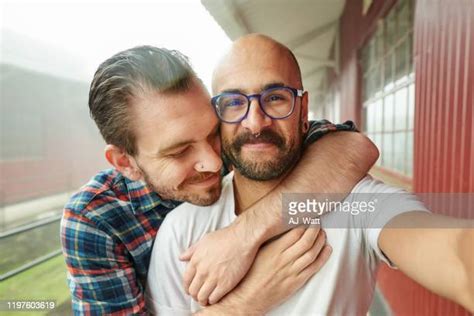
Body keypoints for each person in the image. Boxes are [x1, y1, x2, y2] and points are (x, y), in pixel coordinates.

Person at [146, 34, 474, 315]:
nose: (255, 122)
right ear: (216, 116)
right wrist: (245, 303)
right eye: (234, 102)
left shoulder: (355, 204)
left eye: (275, 98)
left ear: (304, 111)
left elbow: (457, 255)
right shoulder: (182, 230)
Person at [60, 45, 379, 314]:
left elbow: (351, 146)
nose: (214, 161)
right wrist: (247, 299)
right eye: (180, 151)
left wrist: (244, 235)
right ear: (125, 162)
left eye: (213, 134)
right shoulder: (94, 220)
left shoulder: (243, 146)